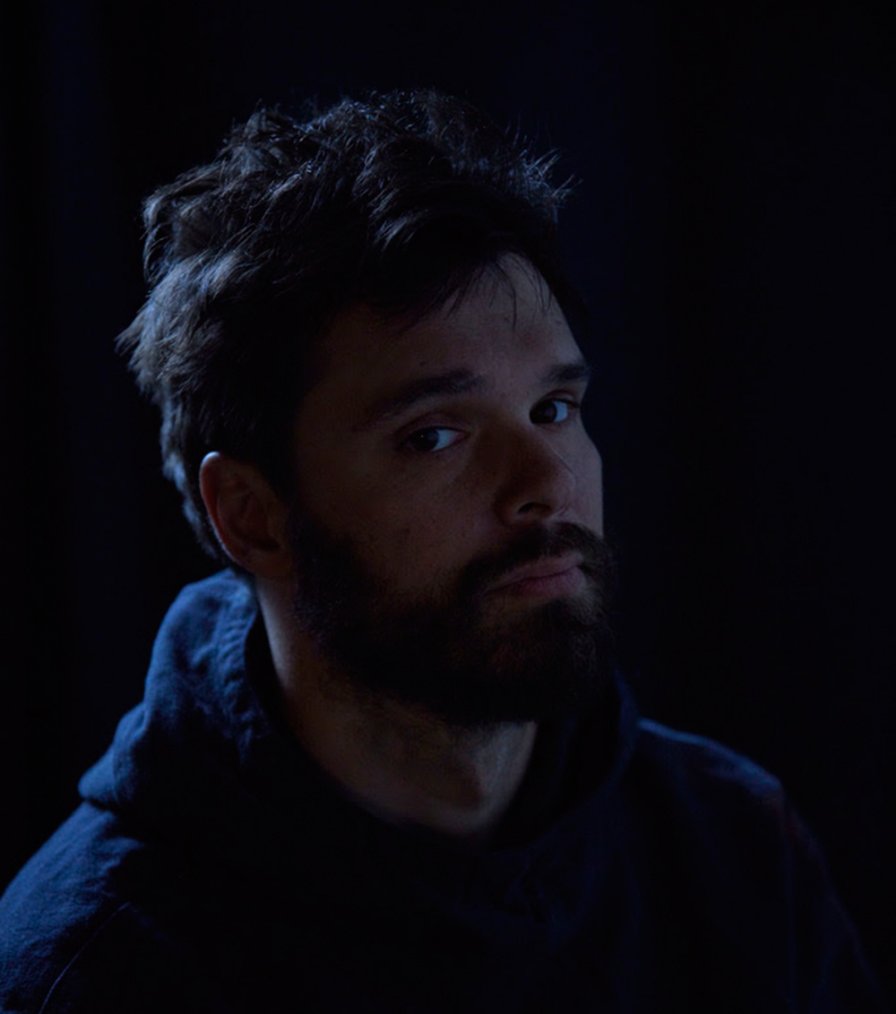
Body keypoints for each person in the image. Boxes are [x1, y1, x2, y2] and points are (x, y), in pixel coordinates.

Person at [0, 90, 884, 1013]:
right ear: (253, 517)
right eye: (434, 436)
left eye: (554, 408)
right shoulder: (88, 972)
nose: (546, 482)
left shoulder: (735, 856)